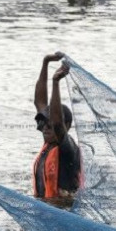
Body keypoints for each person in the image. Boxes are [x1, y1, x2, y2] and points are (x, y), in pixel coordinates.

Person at [33, 52, 81, 208]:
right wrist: (45, 63)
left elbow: (57, 124)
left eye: (50, 124)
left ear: (66, 126)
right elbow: (39, 102)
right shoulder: (49, 138)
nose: (45, 127)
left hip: (65, 211)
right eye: (44, 123)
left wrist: (55, 83)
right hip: (47, 208)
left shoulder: (67, 147)